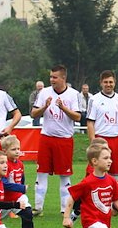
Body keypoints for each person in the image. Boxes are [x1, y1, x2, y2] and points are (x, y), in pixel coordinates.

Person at [30, 65, 81, 215]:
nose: (52, 80)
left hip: (64, 139)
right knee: (41, 172)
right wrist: (44, 107)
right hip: (46, 137)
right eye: (51, 77)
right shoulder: (44, 92)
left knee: (65, 176)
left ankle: (64, 208)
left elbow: (78, 117)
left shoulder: (73, 94)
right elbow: (33, 114)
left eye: (55, 77)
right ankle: (38, 207)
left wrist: (63, 108)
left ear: (63, 78)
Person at [86, 70, 118, 178]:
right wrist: (93, 142)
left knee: (116, 173)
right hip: (101, 139)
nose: (108, 84)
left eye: (111, 82)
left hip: (116, 139)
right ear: (101, 83)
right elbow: (90, 122)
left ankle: (114, 194)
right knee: (96, 172)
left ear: (114, 82)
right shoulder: (94, 99)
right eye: (106, 82)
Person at [0, 135, 37, 228]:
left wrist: (21, 191)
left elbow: (21, 178)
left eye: (18, 149)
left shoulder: (20, 163)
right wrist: (21, 188)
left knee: (28, 212)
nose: (17, 152)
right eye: (13, 149)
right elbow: (4, 184)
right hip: (3, 200)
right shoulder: (4, 164)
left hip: (17, 197)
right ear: (5, 151)